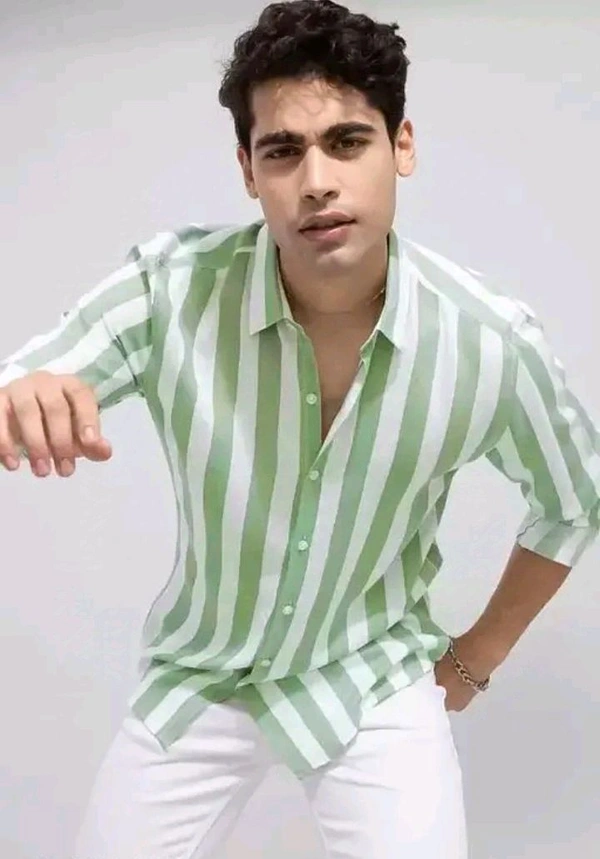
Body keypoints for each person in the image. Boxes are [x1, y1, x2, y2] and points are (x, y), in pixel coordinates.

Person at [1, 1, 599, 857]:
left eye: (347, 141)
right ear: (249, 171)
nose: (316, 180)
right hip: (201, 671)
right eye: (283, 151)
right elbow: (31, 379)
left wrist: (475, 658)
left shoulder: (488, 341)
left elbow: (575, 499)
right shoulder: (173, 287)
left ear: (402, 146)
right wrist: (24, 392)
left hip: (372, 676)